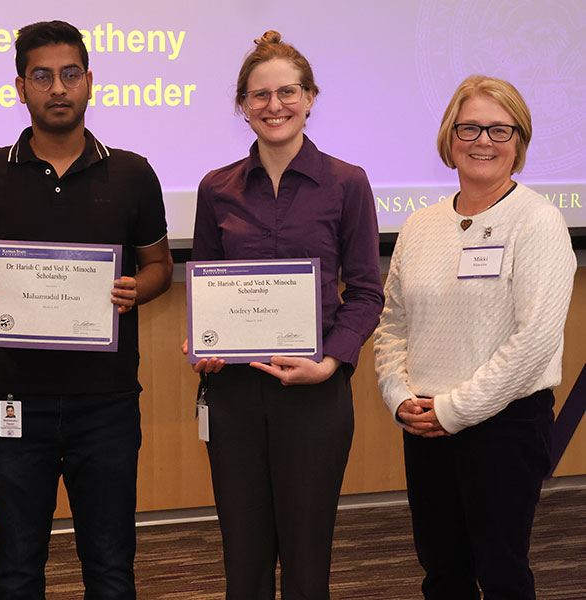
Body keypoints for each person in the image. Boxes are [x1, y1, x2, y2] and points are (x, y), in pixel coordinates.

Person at [0, 20, 172, 599]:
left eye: (70, 75)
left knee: (109, 566)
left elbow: (159, 267)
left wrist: (135, 290)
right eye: (42, 76)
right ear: (20, 87)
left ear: (90, 82)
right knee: (18, 569)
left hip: (107, 402)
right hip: (14, 402)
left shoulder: (132, 172)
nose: (57, 89)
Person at [187, 31, 384, 599]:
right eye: (259, 96)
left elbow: (367, 292)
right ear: (243, 107)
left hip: (315, 396)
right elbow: (206, 288)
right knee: (243, 561)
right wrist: (203, 341)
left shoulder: (348, 184)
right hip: (235, 396)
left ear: (310, 97)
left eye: (287, 92)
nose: (274, 106)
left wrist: (331, 362)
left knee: (306, 560)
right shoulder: (215, 188)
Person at [374, 75, 576, 599]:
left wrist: (455, 409)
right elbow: (393, 321)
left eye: (499, 129)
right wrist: (400, 398)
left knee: (503, 572)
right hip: (424, 424)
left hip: (504, 425)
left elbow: (533, 339)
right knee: (442, 574)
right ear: (449, 137)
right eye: (469, 128)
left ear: (519, 143)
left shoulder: (538, 221)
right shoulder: (419, 227)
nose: (482, 141)